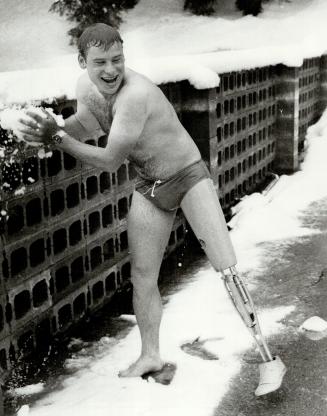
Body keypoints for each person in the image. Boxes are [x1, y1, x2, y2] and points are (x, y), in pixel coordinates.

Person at [19, 23, 286, 395]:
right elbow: (84, 125)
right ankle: (150, 356)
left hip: (188, 176)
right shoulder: (87, 88)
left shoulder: (136, 95)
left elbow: (112, 160)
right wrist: (51, 130)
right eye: (100, 63)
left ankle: (269, 358)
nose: (110, 70)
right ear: (82, 62)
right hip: (150, 185)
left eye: (117, 59)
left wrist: (58, 139)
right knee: (143, 274)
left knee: (226, 268)